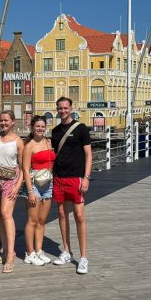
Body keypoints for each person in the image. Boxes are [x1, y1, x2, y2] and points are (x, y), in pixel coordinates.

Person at [51, 97, 92, 274]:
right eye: (60, 108)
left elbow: (88, 155)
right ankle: (66, 250)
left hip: (76, 178)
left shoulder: (81, 128)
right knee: (61, 213)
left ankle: (83, 257)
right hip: (59, 177)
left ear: (71, 108)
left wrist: (86, 177)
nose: (63, 111)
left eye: (65, 108)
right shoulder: (54, 131)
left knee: (79, 216)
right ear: (57, 110)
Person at [0, 110, 24, 273]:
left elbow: (24, 167)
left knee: (6, 213)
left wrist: (18, 185)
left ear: (13, 122)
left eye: (6, 120)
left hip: (11, 179)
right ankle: (4, 249)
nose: (3, 123)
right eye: (1, 120)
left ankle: (10, 255)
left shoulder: (18, 141)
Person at [21, 115, 56, 267]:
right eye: (37, 126)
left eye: (43, 126)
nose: (40, 129)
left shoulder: (48, 142)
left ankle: (39, 249)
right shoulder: (29, 146)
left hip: (48, 184)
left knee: (42, 221)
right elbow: (25, 169)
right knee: (32, 220)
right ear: (32, 128)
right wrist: (30, 191)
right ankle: (29, 253)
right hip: (34, 185)